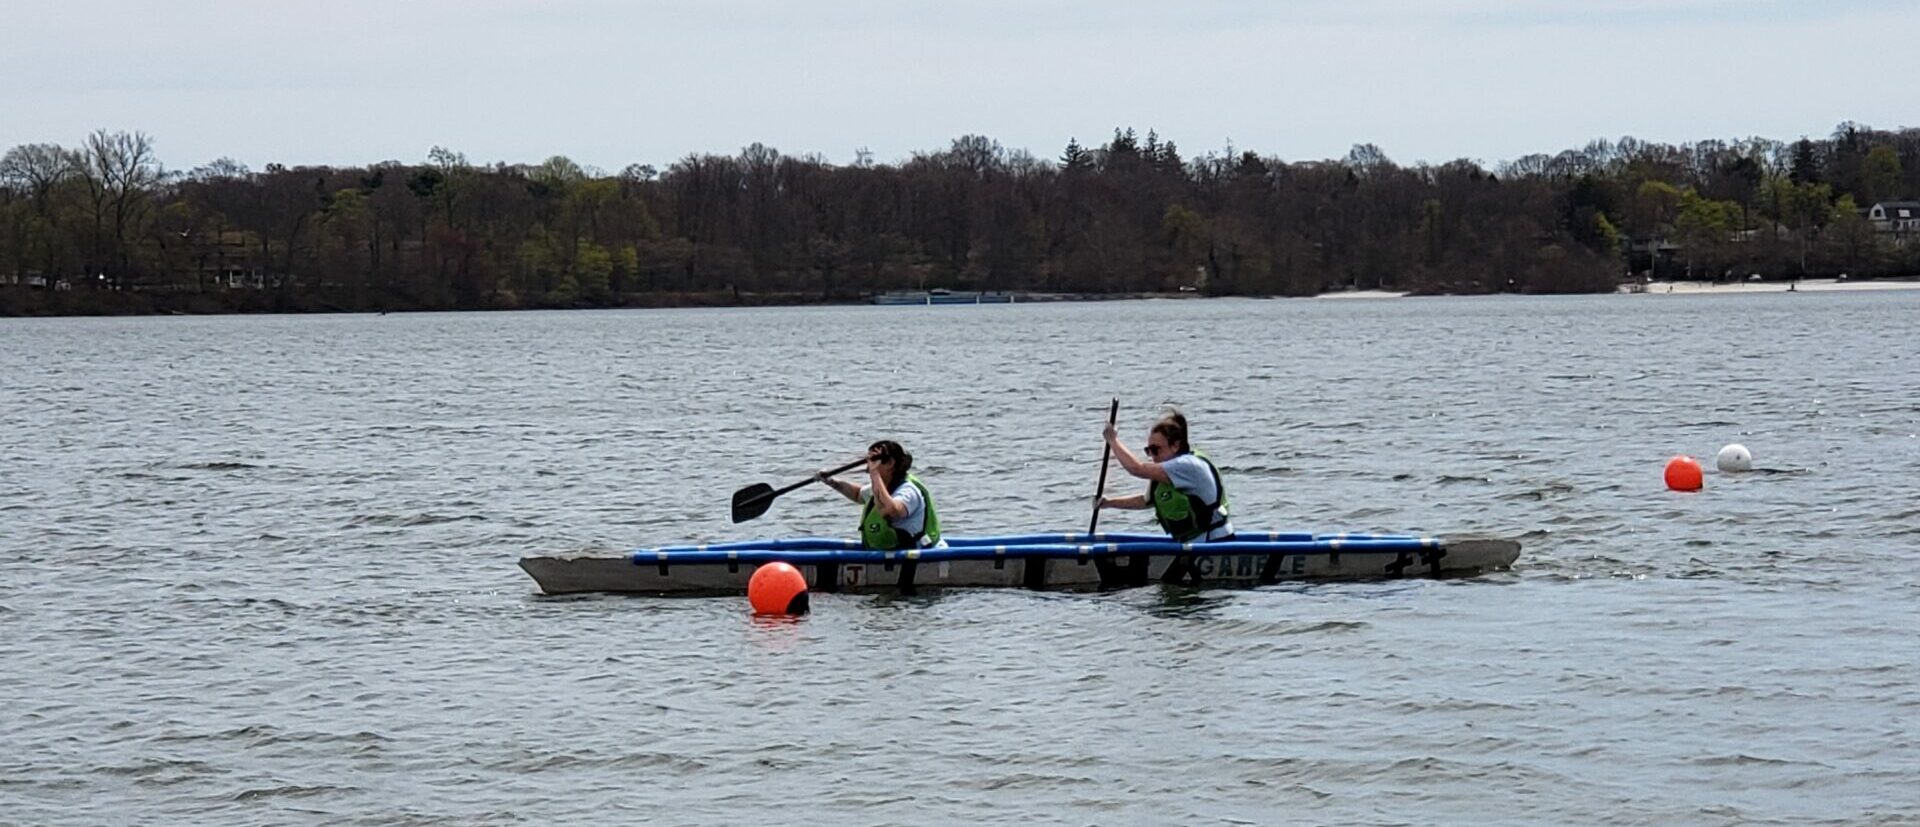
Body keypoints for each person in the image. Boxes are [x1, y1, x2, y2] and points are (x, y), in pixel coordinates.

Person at [1096, 411, 1234, 543]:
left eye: (1156, 450)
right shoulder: (1165, 471)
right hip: (1190, 544)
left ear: (1175, 445)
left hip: (1214, 542)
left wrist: (1113, 441)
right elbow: (1146, 501)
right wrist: (1108, 503)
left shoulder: (1187, 465)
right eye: (1148, 450)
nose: (1152, 456)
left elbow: (1136, 468)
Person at [817, 440, 943, 550]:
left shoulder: (908, 491)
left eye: (873, 461)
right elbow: (857, 495)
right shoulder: (880, 488)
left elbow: (889, 511)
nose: (868, 466)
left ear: (890, 463)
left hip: (917, 555)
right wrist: (832, 482)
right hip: (888, 554)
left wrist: (874, 473)